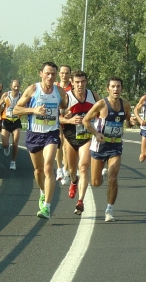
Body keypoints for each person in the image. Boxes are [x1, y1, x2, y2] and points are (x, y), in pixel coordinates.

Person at [13, 62, 68, 219]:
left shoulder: (59, 92)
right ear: (41, 74)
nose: (51, 77)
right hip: (34, 134)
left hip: (51, 133)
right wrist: (33, 110)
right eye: (48, 73)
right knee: (38, 171)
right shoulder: (33, 90)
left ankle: (47, 207)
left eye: (53, 74)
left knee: (48, 167)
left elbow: (64, 106)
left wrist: (65, 114)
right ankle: (43, 192)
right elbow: (16, 109)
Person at [82, 76, 136, 222]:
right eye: (113, 86)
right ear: (108, 89)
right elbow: (85, 120)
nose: (116, 89)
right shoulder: (101, 104)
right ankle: (102, 173)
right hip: (99, 146)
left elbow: (128, 122)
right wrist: (96, 133)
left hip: (115, 146)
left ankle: (109, 210)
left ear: (121, 89)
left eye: (118, 86)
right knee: (96, 182)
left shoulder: (125, 104)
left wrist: (132, 122)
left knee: (113, 178)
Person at [60, 70, 100, 215]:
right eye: (77, 82)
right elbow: (58, 118)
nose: (80, 85)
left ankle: (80, 201)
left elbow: (102, 114)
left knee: (83, 167)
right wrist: (69, 119)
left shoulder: (93, 96)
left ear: (86, 82)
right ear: (72, 83)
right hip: (70, 136)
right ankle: (73, 180)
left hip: (87, 137)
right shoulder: (66, 97)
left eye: (82, 81)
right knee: (72, 170)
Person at [0, 80, 22, 170]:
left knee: (15, 143)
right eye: (14, 86)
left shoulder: (21, 96)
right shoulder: (6, 95)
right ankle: (6, 148)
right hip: (6, 121)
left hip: (16, 121)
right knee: (5, 144)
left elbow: (27, 106)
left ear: (19, 87)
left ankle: (13, 162)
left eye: (17, 87)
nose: (16, 88)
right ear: (11, 86)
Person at [55, 65, 73, 185]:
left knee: (67, 146)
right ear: (59, 74)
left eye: (66, 73)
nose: (64, 75)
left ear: (70, 75)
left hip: (68, 119)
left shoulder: (73, 88)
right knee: (59, 142)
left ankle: (66, 169)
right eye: (62, 73)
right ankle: (59, 169)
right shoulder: (55, 86)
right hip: (55, 118)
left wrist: (69, 112)